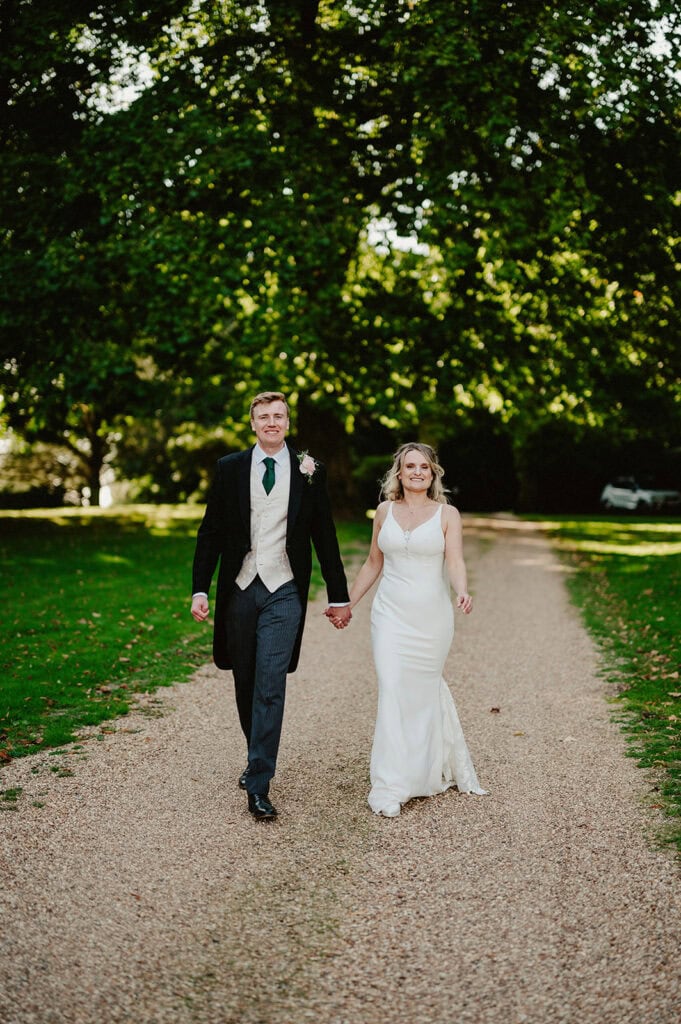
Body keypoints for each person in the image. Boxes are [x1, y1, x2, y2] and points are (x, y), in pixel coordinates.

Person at [191, 391, 351, 821]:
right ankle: (255, 754)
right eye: (264, 417)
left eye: (278, 416)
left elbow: (325, 535)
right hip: (240, 588)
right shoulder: (229, 469)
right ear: (253, 424)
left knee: (270, 684)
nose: (272, 422)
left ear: (287, 422)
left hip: (284, 589)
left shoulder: (309, 471)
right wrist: (200, 589)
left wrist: (338, 595)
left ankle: (259, 782)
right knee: (245, 681)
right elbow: (210, 532)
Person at [328, 443, 486, 817]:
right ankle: (391, 783)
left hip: (431, 619)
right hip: (389, 616)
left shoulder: (448, 514)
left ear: (433, 474)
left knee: (421, 692)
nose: (417, 472)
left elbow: (456, 560)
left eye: (425, 467)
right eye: (410, 466)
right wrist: (346, 602)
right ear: (398, 473)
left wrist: (462, 591)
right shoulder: (384, 511)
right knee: (393, 689)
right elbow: (371, 563)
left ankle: (425, 770)